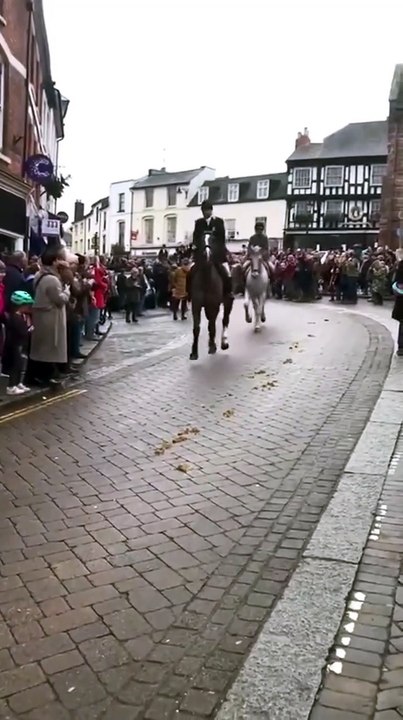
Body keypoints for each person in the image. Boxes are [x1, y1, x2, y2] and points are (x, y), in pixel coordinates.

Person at [29, 246, 70, 385]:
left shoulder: (40, 275)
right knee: (49, 347)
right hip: (50, 317)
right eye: (60, 259)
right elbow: (59, 300)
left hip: (42, 315)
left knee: (41, 348)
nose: (62, 262)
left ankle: (40, 376)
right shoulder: (52, 280)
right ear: (54, 261)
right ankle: (44, 377)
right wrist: (67, 292)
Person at [188, 200, 232, 298]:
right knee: (190, 272)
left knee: (227, 273)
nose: (205, 213)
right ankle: (189, 293)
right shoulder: (198, 223)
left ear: (211, 211)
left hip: (217, 255)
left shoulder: (218, 222)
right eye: (203, 211)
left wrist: (217, 251)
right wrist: (195, 246)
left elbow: (221, 239)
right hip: (202, 254)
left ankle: (228, 293)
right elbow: (196, 237)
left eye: (207, 211)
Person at [3, 290, 33, 395]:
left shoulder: (19, 315)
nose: (28, 307)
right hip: (15, 345)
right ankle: (11, 386)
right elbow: (22, 331)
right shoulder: (15, 318)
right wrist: (30, 330)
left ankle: (18, 383)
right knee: (15, 366)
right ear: (21, 305)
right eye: (27, 305)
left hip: (19, 344)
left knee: (20, 365)